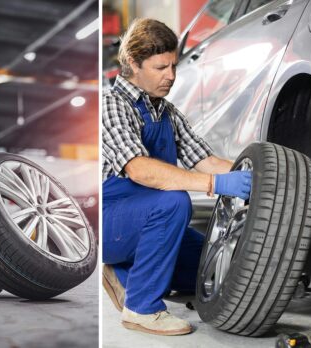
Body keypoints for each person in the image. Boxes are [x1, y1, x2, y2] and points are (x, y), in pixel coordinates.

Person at [102, 18, 252, 335]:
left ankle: (124, 272)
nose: (171, 76)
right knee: (173, 202)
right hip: (110, 223)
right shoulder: (110, 105)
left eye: (174, 66)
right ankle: (141, 310)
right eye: (160, 67)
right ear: (133, 63)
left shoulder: (166, 112)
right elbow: (139, 169)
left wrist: (260, 175)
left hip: (144, 219)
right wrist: (215, 185)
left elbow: (206, 160)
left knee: (210, 267)